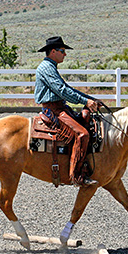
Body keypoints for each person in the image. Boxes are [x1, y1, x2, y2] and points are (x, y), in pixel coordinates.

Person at [35, 36, 102, 186]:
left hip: (59, 107)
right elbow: (62, 90)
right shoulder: (46, 68)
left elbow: (67, 89)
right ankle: (76, 176)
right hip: (54, 110)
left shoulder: (50, 67)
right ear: (53, 51)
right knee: (82, 134)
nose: (65, 54)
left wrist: (91, 99)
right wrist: (86, 101)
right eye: (62, 51)